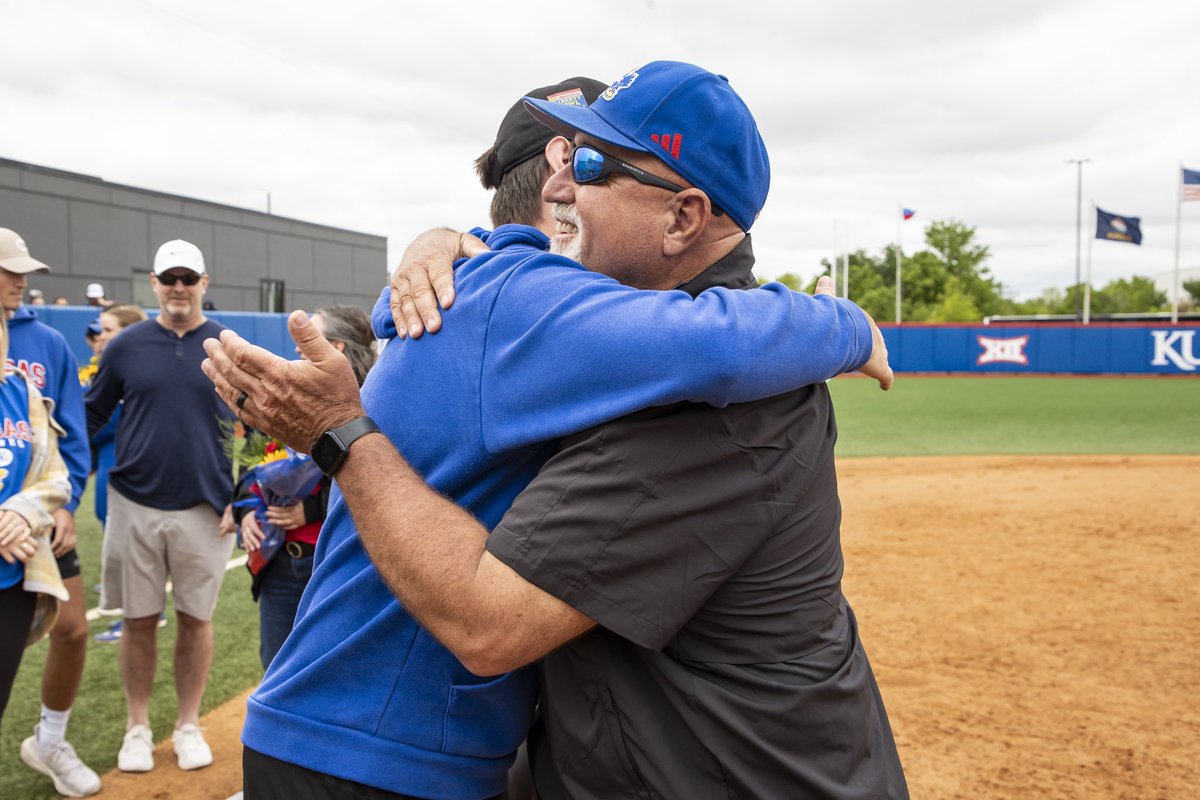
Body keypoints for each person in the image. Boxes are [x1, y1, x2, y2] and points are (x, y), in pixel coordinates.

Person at [204, 71, 891, 799]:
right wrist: (846, 323)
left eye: (590, 165)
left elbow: (717, 340)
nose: (566, 184)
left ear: (684, 218)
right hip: (372, 750)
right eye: (565, 160)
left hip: (384, 742)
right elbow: (714, 338)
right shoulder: (525, 299)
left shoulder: (707, 386)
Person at [86, 239, 236, 774]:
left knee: (196, 620)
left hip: (207, 506)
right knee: (138, 620)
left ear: (203, 284)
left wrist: (243, 495)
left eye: (187, 279)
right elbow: (91, 414)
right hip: (134, 503)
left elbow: (260, 425)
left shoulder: (226, 344)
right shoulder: (125, 346)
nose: (178, 288)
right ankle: (137, 727)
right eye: (168, 278)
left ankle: (188, 724)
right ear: (153, 283)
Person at [0, 227, 99, 796]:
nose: (20, 280)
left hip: (41, 522)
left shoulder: (49, 345)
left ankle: (51, 740)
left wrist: (65, 506)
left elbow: (70, 436)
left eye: (23, 271)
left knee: (73, 630)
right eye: (9, 269)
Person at [233, 304, 376, 669]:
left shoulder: (375, 400)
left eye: (307, 335)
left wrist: (310, 509)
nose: (296, 348)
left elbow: (380, 482)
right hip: (280, 560)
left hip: (338, 565)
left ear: (337, 346)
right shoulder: (286, 395)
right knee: (276, 669)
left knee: (339, 670)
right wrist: (247, 510)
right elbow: (252, 463)